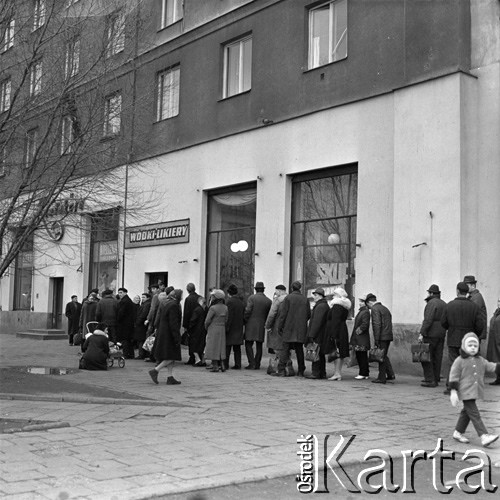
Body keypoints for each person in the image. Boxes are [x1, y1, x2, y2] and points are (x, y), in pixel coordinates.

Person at [449, 332, 500, 447]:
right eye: (470, 345)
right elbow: (453, 375)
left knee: (466, 412)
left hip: (474, 391)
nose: (473, 348)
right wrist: (453, 391)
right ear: (464, 346)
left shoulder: (480, 360)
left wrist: (498, 367)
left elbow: (491, 366)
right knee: (474, 413)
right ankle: (484, 436)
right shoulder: (459, 361)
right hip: (465, 392)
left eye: (475, 346)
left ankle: (458, 432)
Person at [441, 282, 485, 394]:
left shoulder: (449, 305)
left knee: (453, 363)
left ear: (457, 291)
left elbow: (443, 322)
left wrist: (451, 328)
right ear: (467, 292)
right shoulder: (474, 307)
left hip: (453, 338)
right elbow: (480, 325)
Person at [276, 281, 310, 377]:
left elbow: (283, 314)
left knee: (285, 349)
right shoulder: (304, 299)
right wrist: (302, 321)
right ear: (300, 288)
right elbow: (308, 314)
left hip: (289, 327)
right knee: (299, 349)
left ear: (292, 288)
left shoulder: (288, 298)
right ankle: (301, 370)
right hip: (300, 328)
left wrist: (280, 326)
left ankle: (281, 369)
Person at [149, 289, 183, 385]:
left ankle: (170, 377)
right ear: (177, 296)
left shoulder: (165, 303)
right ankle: (155, 370)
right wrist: (176, 336)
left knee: (170, 355)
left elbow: (159, 317)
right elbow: (173, 322)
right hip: (169, 334)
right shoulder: (174, 305)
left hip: (163, 332)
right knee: (171, 355)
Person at [418, 284, 447, 387]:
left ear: (431, 293)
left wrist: (422, 333)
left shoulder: (431, 303)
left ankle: (430, 379)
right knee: (437, 356)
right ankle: (436, 377)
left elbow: (428, 320)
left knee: (427, 356)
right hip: (441, 333)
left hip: (430, 334)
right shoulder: (444, 304)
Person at [365, 293, 395, 384]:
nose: (369, 308)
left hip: (382, 336)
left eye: (368, 305)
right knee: (384, 355)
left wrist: (376, 339)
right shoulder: (385, 308)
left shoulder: (375, 309)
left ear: (370, 302)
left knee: (380, 357)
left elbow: (376, 324)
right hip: (388, 335)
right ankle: (390, 374)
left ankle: (381, 377)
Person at [324, 287, 351, 381]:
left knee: (337, 352)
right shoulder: (344, 306)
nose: (333, 296)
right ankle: (338, 372)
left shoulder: (336, 306)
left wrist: (333, 334)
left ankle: (337, 373)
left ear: (338, 296)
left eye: (335, 294)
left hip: (337, 331)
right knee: (340, 352)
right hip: (342, 330)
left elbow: (335, 320)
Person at [243, 281, 272, 370]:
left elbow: (248, 311)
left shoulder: (251, 298)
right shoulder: (268, 301)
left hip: (251, 324)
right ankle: (257, 363)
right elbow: (269, 314)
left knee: (248, 344)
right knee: (259, 345)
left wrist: (245, 320)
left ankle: (251, 363)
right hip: (261, 325)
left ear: (255, 289)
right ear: (263, 290)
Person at [306, 287, 330, 380]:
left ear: (320, 296)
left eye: (315, 295)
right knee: (320, 354)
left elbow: (316, 322)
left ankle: (316, 372)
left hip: (318, 334)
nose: (314, 297)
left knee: (315, 353)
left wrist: (311, 335)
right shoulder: (322, 305)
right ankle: (321, 372)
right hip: (321, 333)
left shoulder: (320, 306)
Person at [265, 284, 288, 373]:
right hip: (287, 327)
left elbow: (272, 314)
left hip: (276, 326)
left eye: (276, 291)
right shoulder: (289, 299)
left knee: (276, 347)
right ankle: (286, 366)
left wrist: (267, 326)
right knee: (284, 347)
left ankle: (276, 366)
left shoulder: (278, 300)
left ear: (279, 291)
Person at [204, 289, 228, 372]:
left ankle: (215, 366)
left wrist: (206, 327)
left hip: (213, 328)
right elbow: (226, 319)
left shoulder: (213, 308)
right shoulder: (225, 307)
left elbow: (207, 320)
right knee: (220, 346)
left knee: (213, 346)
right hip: (222, 328)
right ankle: (222, 364)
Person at [350, 294, 371, 380]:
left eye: (362, 301)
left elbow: (365, 324)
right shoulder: (362, 311)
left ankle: (363, 373)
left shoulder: (365, 312)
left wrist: (358, 331)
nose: (360, 303)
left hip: (361, 338)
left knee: (361, 356)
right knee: (361, 355)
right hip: (360, 338)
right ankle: (364, 372)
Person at [225, 284, 245, 370]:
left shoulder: (229, 302)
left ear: (229, 293)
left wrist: (226, 327)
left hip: (231, 327)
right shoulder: (241, 302)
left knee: (227, 347)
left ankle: (225, 363)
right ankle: (238, 364)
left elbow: (229, 316)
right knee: (237, 348)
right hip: (239, 326)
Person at [464, 275, 488, 341]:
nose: (465, 287)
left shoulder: (476, 297)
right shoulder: (473, 297)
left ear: (473, 286)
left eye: (467, 285)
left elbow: (473, 316)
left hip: (475, 333)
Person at [183, 283, 200, 365]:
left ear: (187, 290)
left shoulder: (188, 299)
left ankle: (192, 358)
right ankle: (199, 357)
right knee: (198, 340)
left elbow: (186, 313)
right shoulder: (200, 298)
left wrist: (185, 325)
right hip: (199, 323)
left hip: (191, 323)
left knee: (191, 341)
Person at [188, 296, 208, 366]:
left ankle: (197, 360)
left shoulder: (197, 310)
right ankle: (203, 360)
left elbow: (193, 321)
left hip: (196, 330)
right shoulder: (206, 309)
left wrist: (189, 328)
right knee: (202, 345)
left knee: (193, 345)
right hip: (204, 330)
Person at [116, 287, 136, 359]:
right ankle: (130, 354)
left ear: (125, 293)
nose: (119, 294)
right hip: (128, 323)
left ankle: (126, 354)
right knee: (128, 339)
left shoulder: (124, 301)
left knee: (125, 339)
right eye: (119, 293)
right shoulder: (128, 300)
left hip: (124, 323)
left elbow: (121, 313)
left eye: (121, 293)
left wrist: (117, 319)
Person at [486, 298, 500, 385]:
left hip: (498, 341)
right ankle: (498, 378)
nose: (499, 303)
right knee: (496, 360)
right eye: (498, 301)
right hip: (494, 341)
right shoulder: (497, 312)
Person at [134, 292, 151, 359]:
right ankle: (143, 354)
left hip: (142, 325)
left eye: (144, 297)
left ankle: (142, 354)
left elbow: (143, 314)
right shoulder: (145, 304)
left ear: (148, 298)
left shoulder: (146, 305)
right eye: (142, 297)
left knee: (141, 339)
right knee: (141, 339)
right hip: (142, 324)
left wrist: (138, 322)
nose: (142, 298)